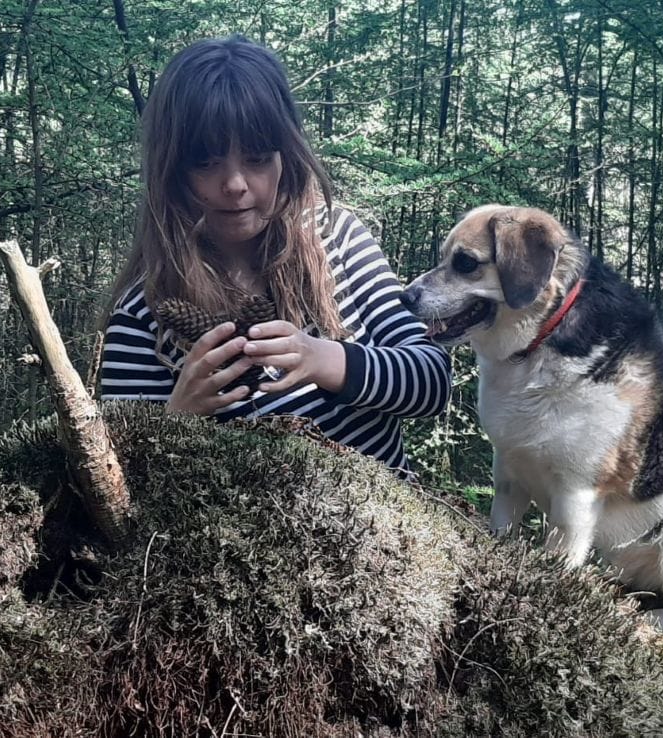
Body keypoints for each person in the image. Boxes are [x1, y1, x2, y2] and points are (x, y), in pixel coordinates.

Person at [98, 35, 451, 475]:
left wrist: (321, 359)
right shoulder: (143, 312)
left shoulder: (335, 238)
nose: (234, 184)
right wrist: (177, 420)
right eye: (205, 163)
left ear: (287, 156)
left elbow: (433, 382)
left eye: (257, 158)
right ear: (171, 171)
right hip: (240, 541)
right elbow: (111, 484)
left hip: (389, 529)